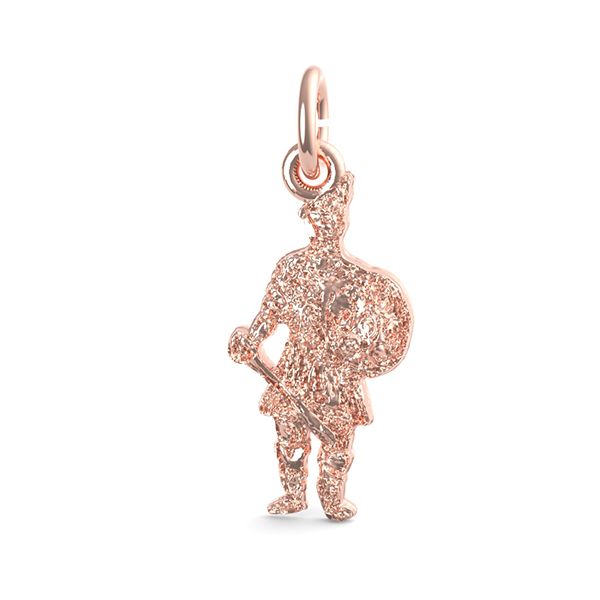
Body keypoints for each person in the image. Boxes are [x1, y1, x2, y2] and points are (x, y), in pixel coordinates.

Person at [229, 173, 413, 521]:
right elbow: (270, 312)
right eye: (323, 214)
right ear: (309, 217)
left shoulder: (359, 277)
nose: (331, 222)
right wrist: (251, 339)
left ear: (345, 218)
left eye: (337, 214)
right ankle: (293, 495)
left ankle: (332, 499)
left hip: (339, 372)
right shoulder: (291, 268)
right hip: (297, 366)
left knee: (337, 440)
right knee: (291, 436)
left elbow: (376, 328)